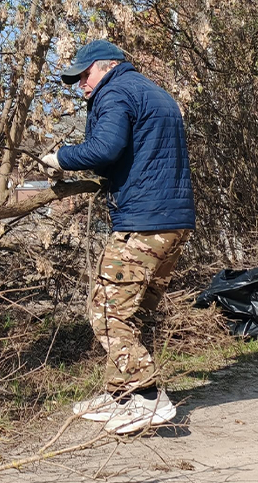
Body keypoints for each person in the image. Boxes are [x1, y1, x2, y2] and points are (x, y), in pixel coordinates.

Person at [40, 39, 195, 435]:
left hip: (142, 223)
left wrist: (62, 158)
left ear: (106, 66)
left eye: (84, 75)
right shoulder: (153, 92)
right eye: (75, 79)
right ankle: (120, 396)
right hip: (174, 222)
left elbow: (106, 148)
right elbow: (138, 154)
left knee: (105, 312)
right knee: (134, 312)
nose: (80, 85)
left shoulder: (116, 92)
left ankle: (146, 396)